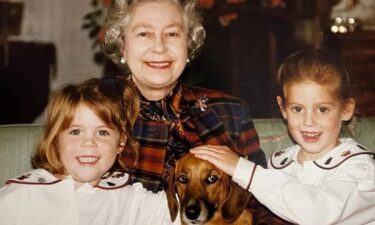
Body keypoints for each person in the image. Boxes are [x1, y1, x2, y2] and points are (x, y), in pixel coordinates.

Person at [191, 49, 375, 225]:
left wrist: (242, 169)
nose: (308, 121)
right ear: (283, 108)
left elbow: (318, 213)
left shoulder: (361, 168)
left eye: (322, 109)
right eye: (297, 109)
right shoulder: (279, 163)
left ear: (346, 109)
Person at [0, 77, 180, 225]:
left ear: (121, 143)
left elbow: (184, 214)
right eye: (75, 132)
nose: (89, 143)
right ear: (56, 140)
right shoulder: (21, 195)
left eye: (102, 132)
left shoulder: (131, 200)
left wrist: (208, 158)